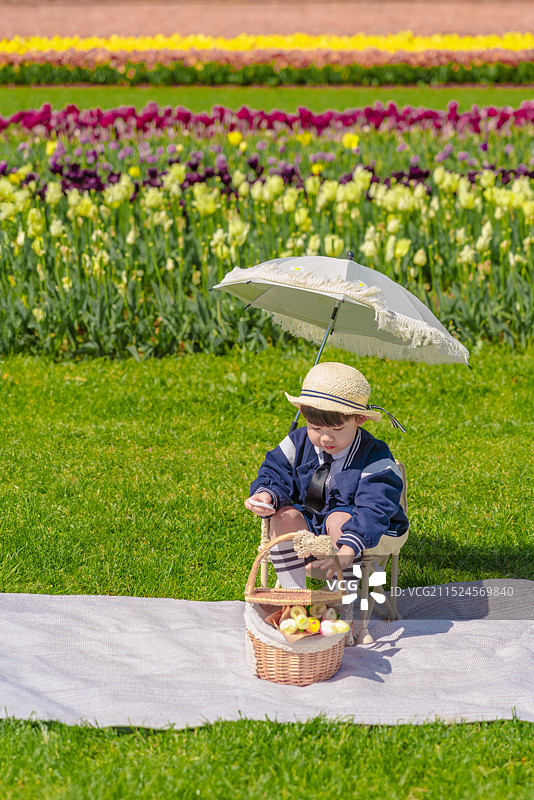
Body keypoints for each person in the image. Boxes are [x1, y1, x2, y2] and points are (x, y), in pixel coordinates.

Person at [244, 361, 408, 589]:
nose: (326, 439)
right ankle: (294, 596)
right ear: (302, 414)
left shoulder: (374, 455)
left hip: (360, 529)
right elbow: (274, 472)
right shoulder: (297, 442)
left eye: (337, 430)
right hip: (310, 522)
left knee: (338, 519)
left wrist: (348, 548)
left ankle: (342, 599)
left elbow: (376, 505)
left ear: (359, 419)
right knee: (283, 517)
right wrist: (265, 496)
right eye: (316, 428)